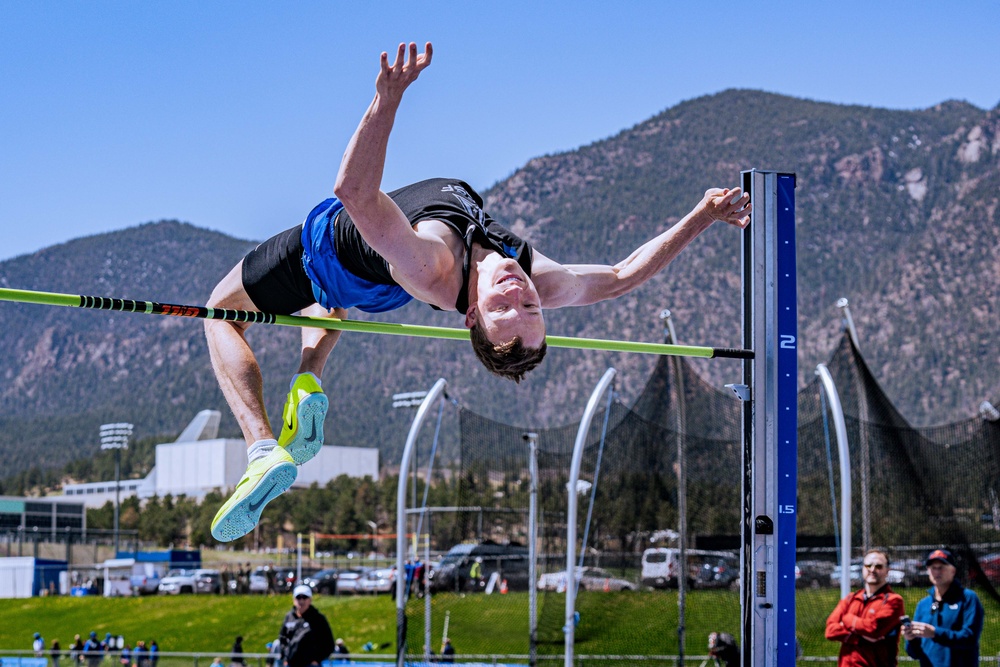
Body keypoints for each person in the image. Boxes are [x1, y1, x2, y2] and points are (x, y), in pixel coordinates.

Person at [205, 42, 752, 543]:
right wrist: (702, 216)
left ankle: (259, 449)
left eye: (501, 307)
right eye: (529, 305)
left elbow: (353, 192)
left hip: (326, 248)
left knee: (220, 314)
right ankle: (308, 379)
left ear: (470, 316)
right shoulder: (528, 273)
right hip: (375, 286)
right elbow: (620, 276)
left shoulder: (434, 263)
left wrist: (386, 100)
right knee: (331, 302)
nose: (517, 290)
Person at [903, 549, 984, 667]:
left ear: (953, 570)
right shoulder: (923, 604)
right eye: (932, 568)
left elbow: (969, 638)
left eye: (941, 567)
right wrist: (910, 639)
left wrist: (935, 633)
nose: (936, 571)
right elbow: (914, 653)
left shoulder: (967, 598)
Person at [825, 549, 905, 666]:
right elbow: (830, 631)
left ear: (887, 571)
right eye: (868, 565)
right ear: (863, 568)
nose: (872, 570)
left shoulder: (893, 601)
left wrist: (847, 619)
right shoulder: (850, 599)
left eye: (878, 566)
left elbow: (874, 629)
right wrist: (859, 637)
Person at [279, 585, 335, 667]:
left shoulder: (318, 618)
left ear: (310, 600)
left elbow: (329, 643)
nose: (301, 601)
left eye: (304, 597)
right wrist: (285, 657)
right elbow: (282, 639)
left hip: (310, 664)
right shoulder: (289, 617)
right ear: (294, 600)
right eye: (298, 597)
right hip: (291, 663)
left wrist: (317, 659)